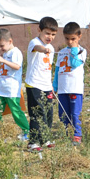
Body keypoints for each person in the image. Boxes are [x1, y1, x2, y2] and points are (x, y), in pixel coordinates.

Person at [25, 16, 58, 152]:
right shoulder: (34, 42)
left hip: (46, 85)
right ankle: (33, 142)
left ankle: (45, 138)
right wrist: (43, 49)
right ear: (39, 30)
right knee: (37, 113)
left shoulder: (51, 47)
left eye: (53, 34)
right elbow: (37, 48)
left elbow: (47, 68)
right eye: (47, 33)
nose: (50, 37)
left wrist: (50, 85)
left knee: (49, 113)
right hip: (34, 85)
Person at [0, 28, 29, 140]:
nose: (0, 48)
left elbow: (17, 66)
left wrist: (3, 61)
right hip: (2, 88)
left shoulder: (16, 52)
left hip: (12, 89)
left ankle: (27, 130)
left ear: (10, 41)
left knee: (16, 111)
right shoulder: (6, 53)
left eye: (2, 46)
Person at [54, 22, 87, 144]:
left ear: (79, 36)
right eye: (67, 39)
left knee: (75, 113)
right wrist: (55, 85)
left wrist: (73, 49)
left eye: (73, 39)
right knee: (63, 113)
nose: (70, 41)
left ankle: (77, 134)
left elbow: (74, 64)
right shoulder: (62, 52)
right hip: (63, 89)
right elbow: (58, 69)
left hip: (75, 88)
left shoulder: (81, 51)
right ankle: (65, 133)